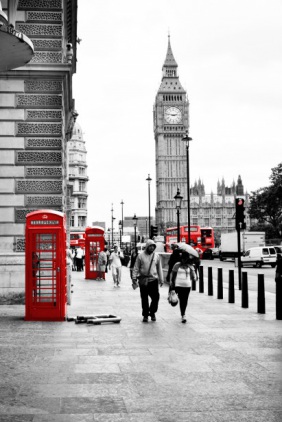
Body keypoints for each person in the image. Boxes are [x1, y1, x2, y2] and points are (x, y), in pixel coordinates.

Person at [132, 239, 164, 322]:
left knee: (156, 297)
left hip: (153, 280)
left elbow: (159, 268)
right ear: (147, 247)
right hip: (143, 280)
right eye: (150, 246)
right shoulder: (140, 256)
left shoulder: (156, 256)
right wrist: (134, 277)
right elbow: (136, 267)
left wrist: (161, 279)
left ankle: (152, 312)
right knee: (144, 298)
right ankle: (145, 315)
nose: (152, 248)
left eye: (153, 246)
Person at [170, 251, 196, 323]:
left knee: (184, 301)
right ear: (181, 258)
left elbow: (194, 277)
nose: (184, 260)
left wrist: (193, 273)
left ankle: (183, 314)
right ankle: (182, 312)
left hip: (187, 286)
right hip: (178, 285)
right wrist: (172, 287)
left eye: (185, 258)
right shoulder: (177, 265)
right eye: (183, 258)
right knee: (174, 301)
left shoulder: (190, 266)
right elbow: (173, 276)